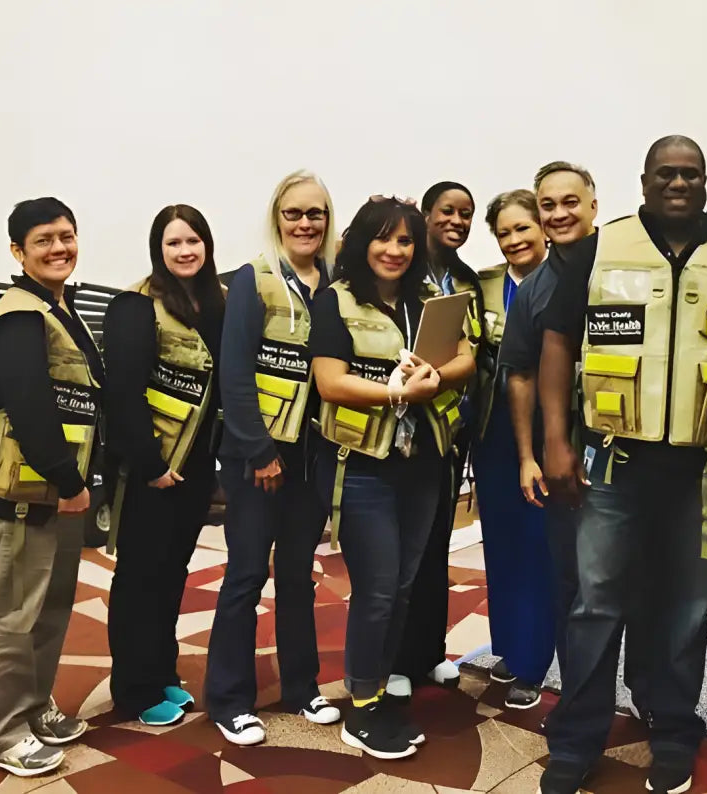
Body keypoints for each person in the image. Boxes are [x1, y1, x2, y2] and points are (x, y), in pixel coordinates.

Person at [537, 137, 707, 794]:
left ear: (705, 181)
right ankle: (576, 736)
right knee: (595, 604)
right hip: (614, 460)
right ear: (644, 180)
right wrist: (557, 440)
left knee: (686, 607)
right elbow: (558, 341)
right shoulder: (601, 247)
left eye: (690, 173)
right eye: (665, 173)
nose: (678, 183)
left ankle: (673, 726)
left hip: (699, 466)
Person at [311, 196, 475, 759]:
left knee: (403, 587)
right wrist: (398, 391)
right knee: (377, 591)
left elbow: (466, 359)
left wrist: (435, 376)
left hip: (424, 463)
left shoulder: (430, 301)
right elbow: (330, 382)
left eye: (406, 241)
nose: (395, 250)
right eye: (384, 238)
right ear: (362, 242)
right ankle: (361, 706)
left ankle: (377, 690)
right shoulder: (336, 300)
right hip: (365, 468)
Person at [499, 161, 646, 720]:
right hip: (565, 461)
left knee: (633, 579)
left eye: (570, 202)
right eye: (548, 205)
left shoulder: (626, 269)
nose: (559, 214)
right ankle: (582, 700)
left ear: (593, 205)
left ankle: (643, 693)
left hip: (633, 455)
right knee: (573, 581)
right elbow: (520, 374)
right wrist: (527, 456)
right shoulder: (534, 290)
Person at [0, 197, 104, 776]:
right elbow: (29, 407)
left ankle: (31, 708)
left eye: (66, 235)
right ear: (18, 251)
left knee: (48, 608)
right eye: (43, 240)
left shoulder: (57, 308)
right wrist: (69, 481)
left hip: (52, 492)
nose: (59, 248)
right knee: (10, 615)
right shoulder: (21, 314)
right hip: (21, 493)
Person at [205, 171, 339, 745]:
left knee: (297, 574)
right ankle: (228, 698)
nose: (305, 224)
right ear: (277, 218)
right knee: (245, 573)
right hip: (256, 458)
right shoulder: (253, 280)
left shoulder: (336, 282)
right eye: (294, 214)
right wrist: (259, 451)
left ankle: (301, 685)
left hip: (310, 459)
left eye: (316, 214)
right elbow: (234, 375)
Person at [104, 204, 225, 726]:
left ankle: (162, 673)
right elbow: (124, 394)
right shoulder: (135, 305)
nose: (185, 251)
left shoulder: (214, 304)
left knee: (172, 573)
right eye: (174, 243)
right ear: (159, 249)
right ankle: (134, 688)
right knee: (139, 577)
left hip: (195, 469)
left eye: (193, 241)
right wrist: (151, 464)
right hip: (149, 470)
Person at [390, 181, 480, 696]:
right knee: (404, 552)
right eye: (447, 210)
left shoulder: (465, 279)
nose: (457, 221)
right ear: (425, 214)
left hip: (452, 428)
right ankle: (397, 659)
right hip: (405, 426)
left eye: (466, 214)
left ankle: (428, 651)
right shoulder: (404, 270)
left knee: (436, 547)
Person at [470, 189, 553, 709]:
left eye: (524, 228)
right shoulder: (482, 286)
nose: (514, 240)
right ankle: (509, 646)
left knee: (539, 544)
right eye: (504, 232)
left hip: (548, 430)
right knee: (500, 539)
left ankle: (535, 661)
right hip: (490, 431)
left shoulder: (568, 282)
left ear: (543, 227)